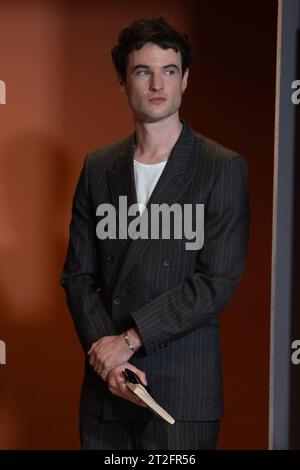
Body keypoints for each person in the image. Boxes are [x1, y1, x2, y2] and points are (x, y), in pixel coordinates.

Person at [60, 17, 249, 450]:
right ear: (123, 81)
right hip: (107, 389)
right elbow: (78, 276)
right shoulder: (98, 167)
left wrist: (129, 340)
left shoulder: (220, 167)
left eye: (169, 70)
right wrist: (106, 357)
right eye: (143, 71)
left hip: (181, 391)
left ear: (185, 79)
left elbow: (216, 282)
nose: (157, 83)